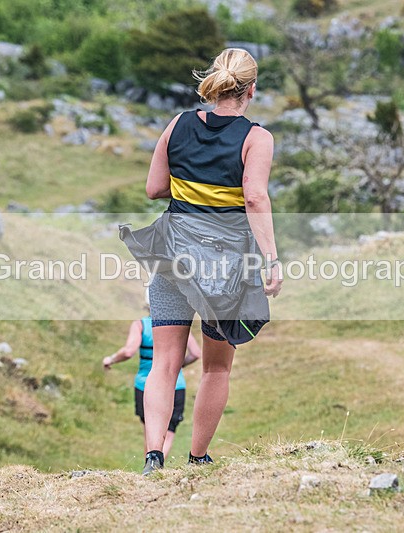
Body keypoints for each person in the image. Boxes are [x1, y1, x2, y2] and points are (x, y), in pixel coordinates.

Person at [138, 48, 283, 474]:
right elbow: (255, 197)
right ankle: (198, 458)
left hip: (171, 253)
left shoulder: (178, 125)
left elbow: (153, 188)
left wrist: (191, 193)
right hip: (224, 266)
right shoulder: (257, 138)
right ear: (251, 89)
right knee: (216, 367)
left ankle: (152, 457)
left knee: (164, 362)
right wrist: (271, 260)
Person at [103, 288, 201, 459]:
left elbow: (128, 351)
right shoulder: (178, 325)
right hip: (176, 385)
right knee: (169, 431)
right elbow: (195, 353)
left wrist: (110, 360)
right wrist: (176, 366)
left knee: (151, 431)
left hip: (146, 385)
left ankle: (152, 465)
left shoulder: (140, 325)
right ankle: (158, 465)